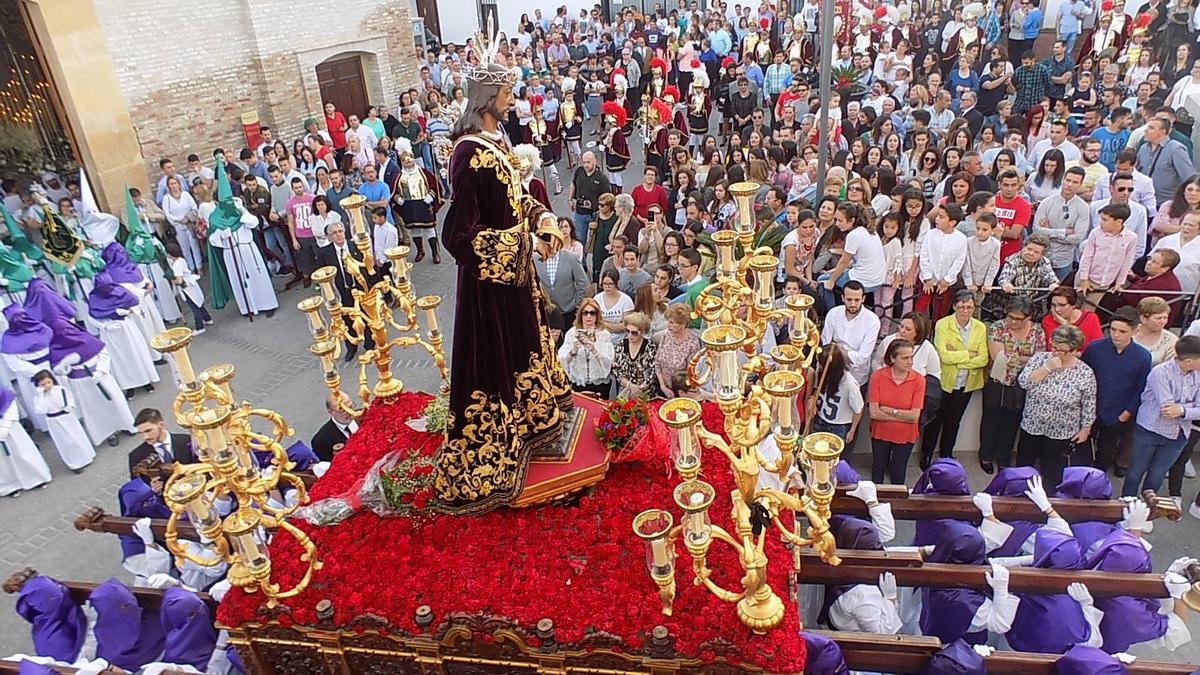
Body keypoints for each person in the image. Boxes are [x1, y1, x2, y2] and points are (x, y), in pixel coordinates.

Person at [435, 55, 574, 514]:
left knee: (529, 346)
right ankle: (501, 441)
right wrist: (524, 244)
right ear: (486, 98)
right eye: (506, 92)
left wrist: (545, 220)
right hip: (490, 288)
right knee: (501, 357)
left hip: (517, 280)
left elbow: (514, 201)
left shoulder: (497, 140)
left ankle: (537, 420)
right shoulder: (468, 152)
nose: (512, 99)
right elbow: (458, 234)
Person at [1017, 325, 1097, 488]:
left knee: (1052, 474)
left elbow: (1089, 403)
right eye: (1054, 347)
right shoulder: (1039, 359)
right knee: (1024, 470)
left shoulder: (1085, 372)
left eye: (1063, 350)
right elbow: (1024, 382)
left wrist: (1085, 429)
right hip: (1033, 426)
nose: (1056, 352)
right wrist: (1048, 368)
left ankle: (1049, 505)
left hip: (1061, 432)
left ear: (1074, 351)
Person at [1123, 335, 1200, 497]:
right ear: (1189, 361)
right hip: (1149, 431)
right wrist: (1190, 408)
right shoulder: (1160, 373)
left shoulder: (1198, 375)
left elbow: (1176, 410)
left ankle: (1148, 510)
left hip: (1179, 434)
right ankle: (1126, 504)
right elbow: (1167, 409)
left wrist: (1182, 410)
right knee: (1136, 471)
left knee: (1157, 474)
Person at [1083, 307, 1152, 476]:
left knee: (1106, 452)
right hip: (1089, 409)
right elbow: (1081, 376)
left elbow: (1140, 388)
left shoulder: (1142, 356)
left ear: (1135, 330)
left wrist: (1126, 413)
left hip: (1118, 413)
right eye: (1113, 329)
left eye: (1122, 331)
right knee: (1082, 450)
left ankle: (1097, 483)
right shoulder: (1095, 348)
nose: (1116, 335)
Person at [979, 297, 1045, 473]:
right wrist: (1025, 358)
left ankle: (1003, 458)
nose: (1013, 321)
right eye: (1010, 317)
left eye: (1018, 318)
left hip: (1022, 383)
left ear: (1028, 318)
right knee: (990, 420)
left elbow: (1039, 359)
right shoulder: (997, 327)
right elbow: (997, 356)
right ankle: (985, 455)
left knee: (1011, 423)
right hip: (996, 380)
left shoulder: (1037, 331)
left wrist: (1012, 356)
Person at [206, 164, 279, 319]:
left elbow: (253, 223)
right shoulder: (215, 218)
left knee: (257, 279)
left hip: (247, 250)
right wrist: (222, 235)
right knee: (239, 281)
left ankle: (267, 304)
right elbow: (212, 240)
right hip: (231, 252)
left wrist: (242, 214)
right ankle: (248, 308)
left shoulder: (239, 209)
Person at [925, 291, 988, 467]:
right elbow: (944, 356)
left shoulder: (980, 327)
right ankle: (926, 454)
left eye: (969, 307)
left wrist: (958, 357)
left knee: (954, 421)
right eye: (961, 307)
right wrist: (969, 354)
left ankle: (946, 454)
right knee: (935, 421)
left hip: (966, 384)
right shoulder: (943, 324)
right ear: (954, 306)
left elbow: (983, 359)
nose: (965, 311)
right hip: (945, 381)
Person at [86, 271, 159, 398]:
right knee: (120, 359)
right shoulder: (94, 298)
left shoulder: (121, 291)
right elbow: (91, 316)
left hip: (126, 327)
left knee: (136, 353)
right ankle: (129, 385)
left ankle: (145, 381)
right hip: (110, 333)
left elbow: (137, 303)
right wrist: (104, 326)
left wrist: (126, 312)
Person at [868, 338, 925, 484]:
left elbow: (914, 417)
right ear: (892, 358)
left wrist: (889, 411)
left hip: (905, 435)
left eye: (911, 357)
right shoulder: (878, 377)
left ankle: (897, 502)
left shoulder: (919, 380)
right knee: (878, 468)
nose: (910, 362)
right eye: (905, 358)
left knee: (899, 470)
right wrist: (902, 416)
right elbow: (874, 413)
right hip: (880, 433)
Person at [820, 281, 881, 390]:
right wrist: (848, 355)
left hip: (857, 379)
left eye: (857, 300)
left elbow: (861, 359)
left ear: (863, 299)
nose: (853, 304)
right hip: (833, 373)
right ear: (843, 298)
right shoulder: (833, 314)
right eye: (849, 300)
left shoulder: (872, 321)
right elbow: (826, 347)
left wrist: (837, 350)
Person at [558, 297, 615, 398]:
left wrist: (594, 350)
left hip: (600, 384)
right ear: (581, 315)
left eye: (592, 313)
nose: (589, 316)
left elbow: (608, 362)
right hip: (579, 383)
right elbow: (561, 360)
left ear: (597, 316)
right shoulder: (572, 333)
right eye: (585, 313)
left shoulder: (604, 334)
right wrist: (573, 351)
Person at [0, 385, 51, 496]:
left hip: (10, 426)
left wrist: (6, 425)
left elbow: (10, 403)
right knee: (3, 462)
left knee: (22, 452)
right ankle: (10, 485)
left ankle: (36, 478)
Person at [813, 343, 864, 444]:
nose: (818, 366)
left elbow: (858, 409)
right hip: (820, 419)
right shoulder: (820, 374)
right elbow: (816, 392)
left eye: (820, 364)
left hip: (839, 426)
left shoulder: (849, 384)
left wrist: (852, 430)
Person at [1136, 118, 1195, 206]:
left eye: (1151, 128)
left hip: (1166, 203)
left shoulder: (1176, 149)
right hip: (1143, 201)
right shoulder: (1143, 148)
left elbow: (1189, 177)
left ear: (1163, 131)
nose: (1145, 131)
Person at [127, 407, 194, 477]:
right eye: (141, 433)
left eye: (148, 431)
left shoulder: (188, 441)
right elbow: (137, 483)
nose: (145, 437)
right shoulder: (136, 456)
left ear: (161, 425)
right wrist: (150, 486)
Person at [165, 241, 212, 334]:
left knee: (194, 307)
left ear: (170, 254)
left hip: (187, 288)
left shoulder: (176, 266)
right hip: (192, 284)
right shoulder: (181, 260)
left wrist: (172, 280)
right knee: (198, 303)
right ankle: (207, 318)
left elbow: (179, 281)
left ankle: (200, 327)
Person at [655, 304, 702, 396]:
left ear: (683, 324)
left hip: (681, 392)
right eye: (668, 321)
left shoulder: (692, 344)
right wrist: (663, 386)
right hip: (662, 387)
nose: (668, 325)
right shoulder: (666, 336)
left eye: (672, 322)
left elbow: (691, 374)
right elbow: (657, 363)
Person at [612, 311, 659, 399]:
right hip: (625, 392)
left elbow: (654, 371)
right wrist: (630, 386)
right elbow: (616, 370)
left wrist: (640, 388)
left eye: (634, 332)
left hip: (646, 393)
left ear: (642, 332)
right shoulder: (621, 345)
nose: (630, 335)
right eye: (627, 331)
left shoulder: (650, 347)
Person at [311, 391, 359, 463]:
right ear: (330, 412)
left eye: (350, 406)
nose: (349, 412)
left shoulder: (364, 417)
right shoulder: (321, 440)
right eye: (343, 410)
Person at [1132, 296, 1179, 365]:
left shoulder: (1171, 340)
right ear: (1143, 319)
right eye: (1158, 318)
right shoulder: (1128, 333)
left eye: (1165, 318)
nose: (1163, 322)